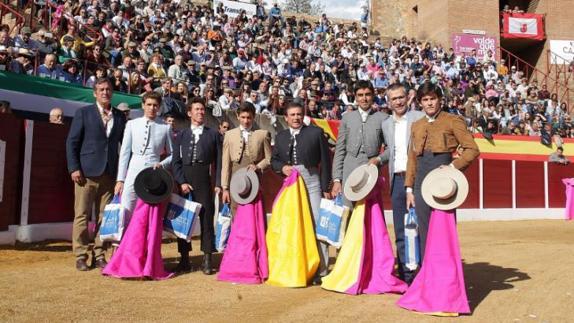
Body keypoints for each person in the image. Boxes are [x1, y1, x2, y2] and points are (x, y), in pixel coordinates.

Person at [405, 82, 479, 264]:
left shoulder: (452, 120)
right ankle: (426, 273)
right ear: (420, 103)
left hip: (444, 180)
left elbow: (472, 149)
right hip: (421, 179)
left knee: (443, 228)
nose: (429, 103)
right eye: (425, 100)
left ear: (440, 100)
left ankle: (444, 275)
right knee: (423, 228)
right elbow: (412, 158)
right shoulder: (416, 125)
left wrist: (453, 168)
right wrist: (409, 189)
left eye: (433, 99)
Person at [66, 78, 127, 271]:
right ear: (94, 93)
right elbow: (72, 142)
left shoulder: (119, 116)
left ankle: (100, 254)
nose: (105, 92)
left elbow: (123, 146)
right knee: (82, 215)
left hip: (109, 173)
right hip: (86, 173)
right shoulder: (83, 113)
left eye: (108, 89)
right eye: (101, 89)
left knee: (105, 217)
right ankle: (81, 255)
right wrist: (74, 168)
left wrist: (121, 175)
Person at [270, 101, 332, 284]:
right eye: (292, 115)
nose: (296, 118)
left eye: (299, 114)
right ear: (286, 117)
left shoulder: (315, 133)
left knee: (316, 221)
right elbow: (274, 161)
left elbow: (326, 162)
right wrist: (283, 168)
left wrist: (326, 187)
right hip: (291, 184)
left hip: (312, 180)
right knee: (292, 224)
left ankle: (320, 268)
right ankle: (298, 265)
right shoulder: (280, 137)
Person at [379, 83, 424, 284]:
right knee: (400, 229)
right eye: (393, 98)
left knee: (420, 227)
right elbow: (392, 150)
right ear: (388, 102)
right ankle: (406, 276)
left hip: (417, 179)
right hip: (397, 179)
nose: (398, 101)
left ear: (408, 97)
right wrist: (378, 160)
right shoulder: (386, 124)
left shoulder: (419, 118)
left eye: (400, 97)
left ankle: (422, 272)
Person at [171, 97, 222, 274]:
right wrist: (181, 181)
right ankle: (184, 258)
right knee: (183, 217)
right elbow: (175, 161)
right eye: (197, 109)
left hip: (203, 177)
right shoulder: (181, 134)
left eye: (202, 110)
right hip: (185, 176)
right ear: (189, 112)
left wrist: (217, 183)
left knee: (206, 218)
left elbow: (219, 162)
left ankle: (207, 258)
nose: (201, 112)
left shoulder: (213, 134)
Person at [331, 80, 389, 207]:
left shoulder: (383, 118)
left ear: (373, 95)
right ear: (355, 97)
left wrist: (379, 159)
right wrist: (337, 179)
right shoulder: (347, 118)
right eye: (360, 95)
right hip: (349, 169)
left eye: (367, 94)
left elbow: (392, 148)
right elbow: (340, 150)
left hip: (371, 170)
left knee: (371, 212)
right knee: (348, 211)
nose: (364, 98)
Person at [114, 92, 173, 216]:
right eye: (149, 104)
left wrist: (162, 164)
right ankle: (124, 235)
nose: (152, 108)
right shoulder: (131, 124)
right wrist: (120, 179)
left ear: (159, 107)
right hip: (133, 169)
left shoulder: (165, 127)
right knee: (126, 208)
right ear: (143, 105)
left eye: (155, 105)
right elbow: (124, 153)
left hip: (153, 171)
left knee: (149, 211)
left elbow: (173, 154)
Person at [221, 102, 272, 212]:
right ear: (237, 116)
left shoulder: (263, 134)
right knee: (235, 211)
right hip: (235, 179)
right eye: (243, 117)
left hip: (255, 177)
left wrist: (258, 166)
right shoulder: (229, 135)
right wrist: (225, 188)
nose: (245, 121)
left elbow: (269, 159)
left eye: (249, 117)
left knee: (253, 212)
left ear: (253, 117)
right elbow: (226, 164)